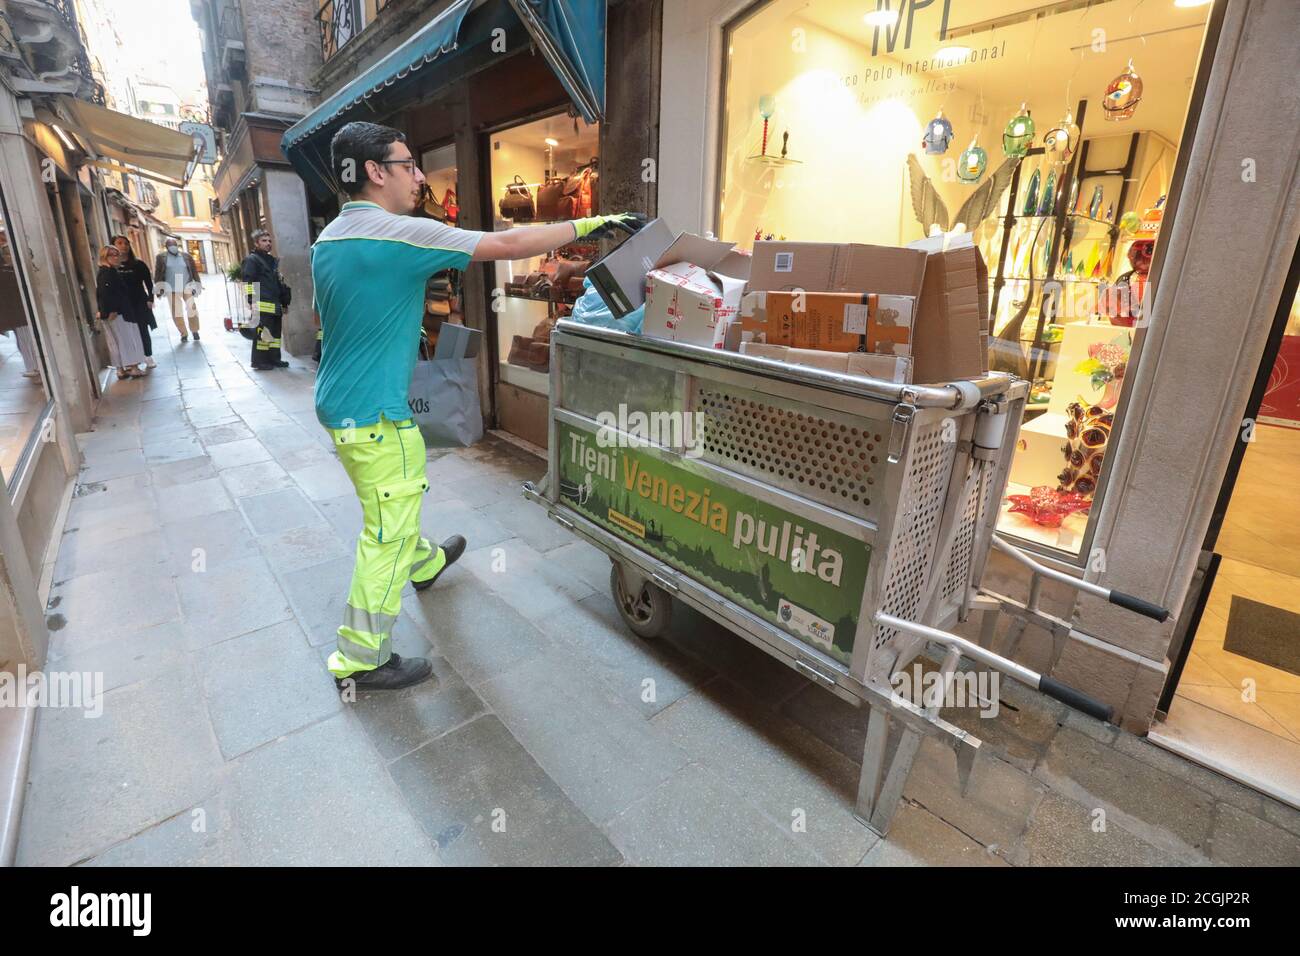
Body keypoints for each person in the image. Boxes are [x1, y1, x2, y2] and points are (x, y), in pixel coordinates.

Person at [314, 120, 642, 691]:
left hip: (343, 401)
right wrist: (593, 222)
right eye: (407, 165)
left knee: (396, 495)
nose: (418, 177)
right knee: (386, 527)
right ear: (374, 172)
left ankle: (424, 563)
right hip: (374, 415)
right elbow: (508, 245)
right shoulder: (398, 234)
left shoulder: (330, 239)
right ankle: (361, 657)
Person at [95, 245, 148, 379]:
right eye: (112, 255)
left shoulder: (108, 271)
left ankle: (121, 369)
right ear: (104, 257)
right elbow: (105, 293)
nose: (116, 257)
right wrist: (111, 310)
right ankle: (133, 368)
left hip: (115, 312)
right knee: (126, 339)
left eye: (117, 254)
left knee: (117, 342)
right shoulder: (107, 273)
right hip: (118, 313)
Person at [240, 230, 290, 370]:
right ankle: (259, 361)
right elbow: (248, 281)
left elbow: (277, 282)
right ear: (256, 243)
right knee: (263, 333)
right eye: (264, 241)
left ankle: (274, 358)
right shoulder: (252, 260)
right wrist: (251, 301)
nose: (268, 243)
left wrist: (284, 301)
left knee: (275, 333)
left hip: (275, 303)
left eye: (269, 241)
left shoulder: (272, 260)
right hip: (262, 303)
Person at [113, 236, 156, 368]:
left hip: (139, 301)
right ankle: (131, 361)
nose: (123, 246)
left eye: (126, 243)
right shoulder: (113, 267)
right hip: (122, 304)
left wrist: (150, 299)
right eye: (119, 243)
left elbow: (149, 283)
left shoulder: (139, 264)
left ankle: (147, 355)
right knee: (127, 332)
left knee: (142, 329)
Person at [153, 237, 202, 341]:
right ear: (166, 247)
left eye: (174, 244)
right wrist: (158, 288)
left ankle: (195, 331)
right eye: (170, 245)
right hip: (172, 287)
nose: (173, 247)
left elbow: (194, 271)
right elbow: (158, 273)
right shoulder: (161, 257)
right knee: (177, 312)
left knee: (192, 309)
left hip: (186, 285)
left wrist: (198, 284)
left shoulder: (186, 256)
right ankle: (183, 333)